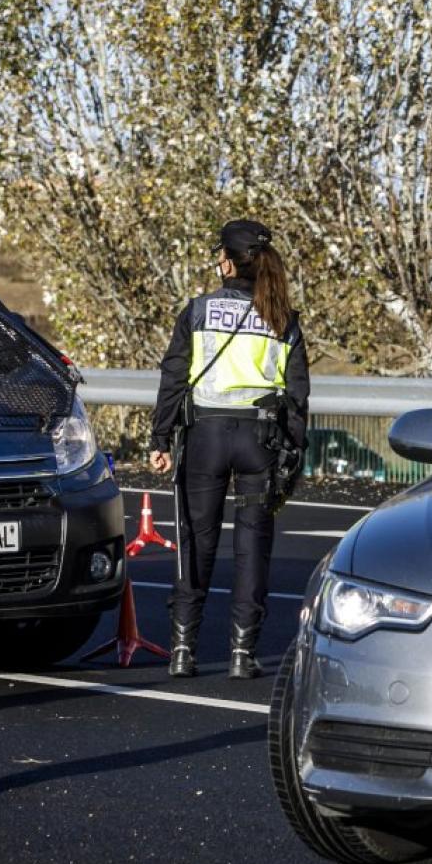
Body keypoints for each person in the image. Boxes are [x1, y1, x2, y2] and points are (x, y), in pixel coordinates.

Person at [149, 219, 310, 681]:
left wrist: (160, 438)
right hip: (259, 440)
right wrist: (293, 454)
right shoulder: (282, 316)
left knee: (196, 543)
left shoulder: (198, 310)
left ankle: (183, 650)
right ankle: (243, 654)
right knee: (252, 548)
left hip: (206, 437)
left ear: (227, 260)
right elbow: (297, 395)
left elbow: (174, 377)